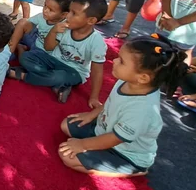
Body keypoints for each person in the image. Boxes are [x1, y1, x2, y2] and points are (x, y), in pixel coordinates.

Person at [59, 34, 188, 177]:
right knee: (66, 125)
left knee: (69, 158)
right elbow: (112, 101)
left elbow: (116, 138)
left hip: (126, 153)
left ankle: (134, 171)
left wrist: (83, 145)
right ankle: (97, 147)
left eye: (121, 61)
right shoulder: (128, 81)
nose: (114, 60)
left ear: (143, 77)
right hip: (105, 131)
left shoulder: (142, 109)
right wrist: (91, 115)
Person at [9, 0, 108, 105]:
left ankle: (22, 75)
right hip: (52, 59)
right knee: (27, 57)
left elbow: (97, 71)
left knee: (57, 76)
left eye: (74, 13)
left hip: (74, 71)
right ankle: (58, 85)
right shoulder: (64, 27)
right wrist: (54, 31)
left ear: (91, 21)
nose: (68, 16)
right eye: (69, 11)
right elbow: (48, 47)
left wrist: (94, 97)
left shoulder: (96, 42)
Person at [6, 0, 73, 59]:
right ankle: (9, 52)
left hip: (45, 52)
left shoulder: (64, 26)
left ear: (64, 14)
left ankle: (21, 49)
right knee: (22, 22)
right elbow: (25, 24)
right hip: (35, 40)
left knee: (27, 61)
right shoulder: (42, 16)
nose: (45, 10)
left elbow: (51, 48)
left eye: (51, 10)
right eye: (45, 6)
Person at [159, 0, 196, 66]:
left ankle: (176, 77)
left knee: (183, 54)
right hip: (166, 21)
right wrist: (166, 15)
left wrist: (178, 22)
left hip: (188, 31)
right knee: (158, 47)